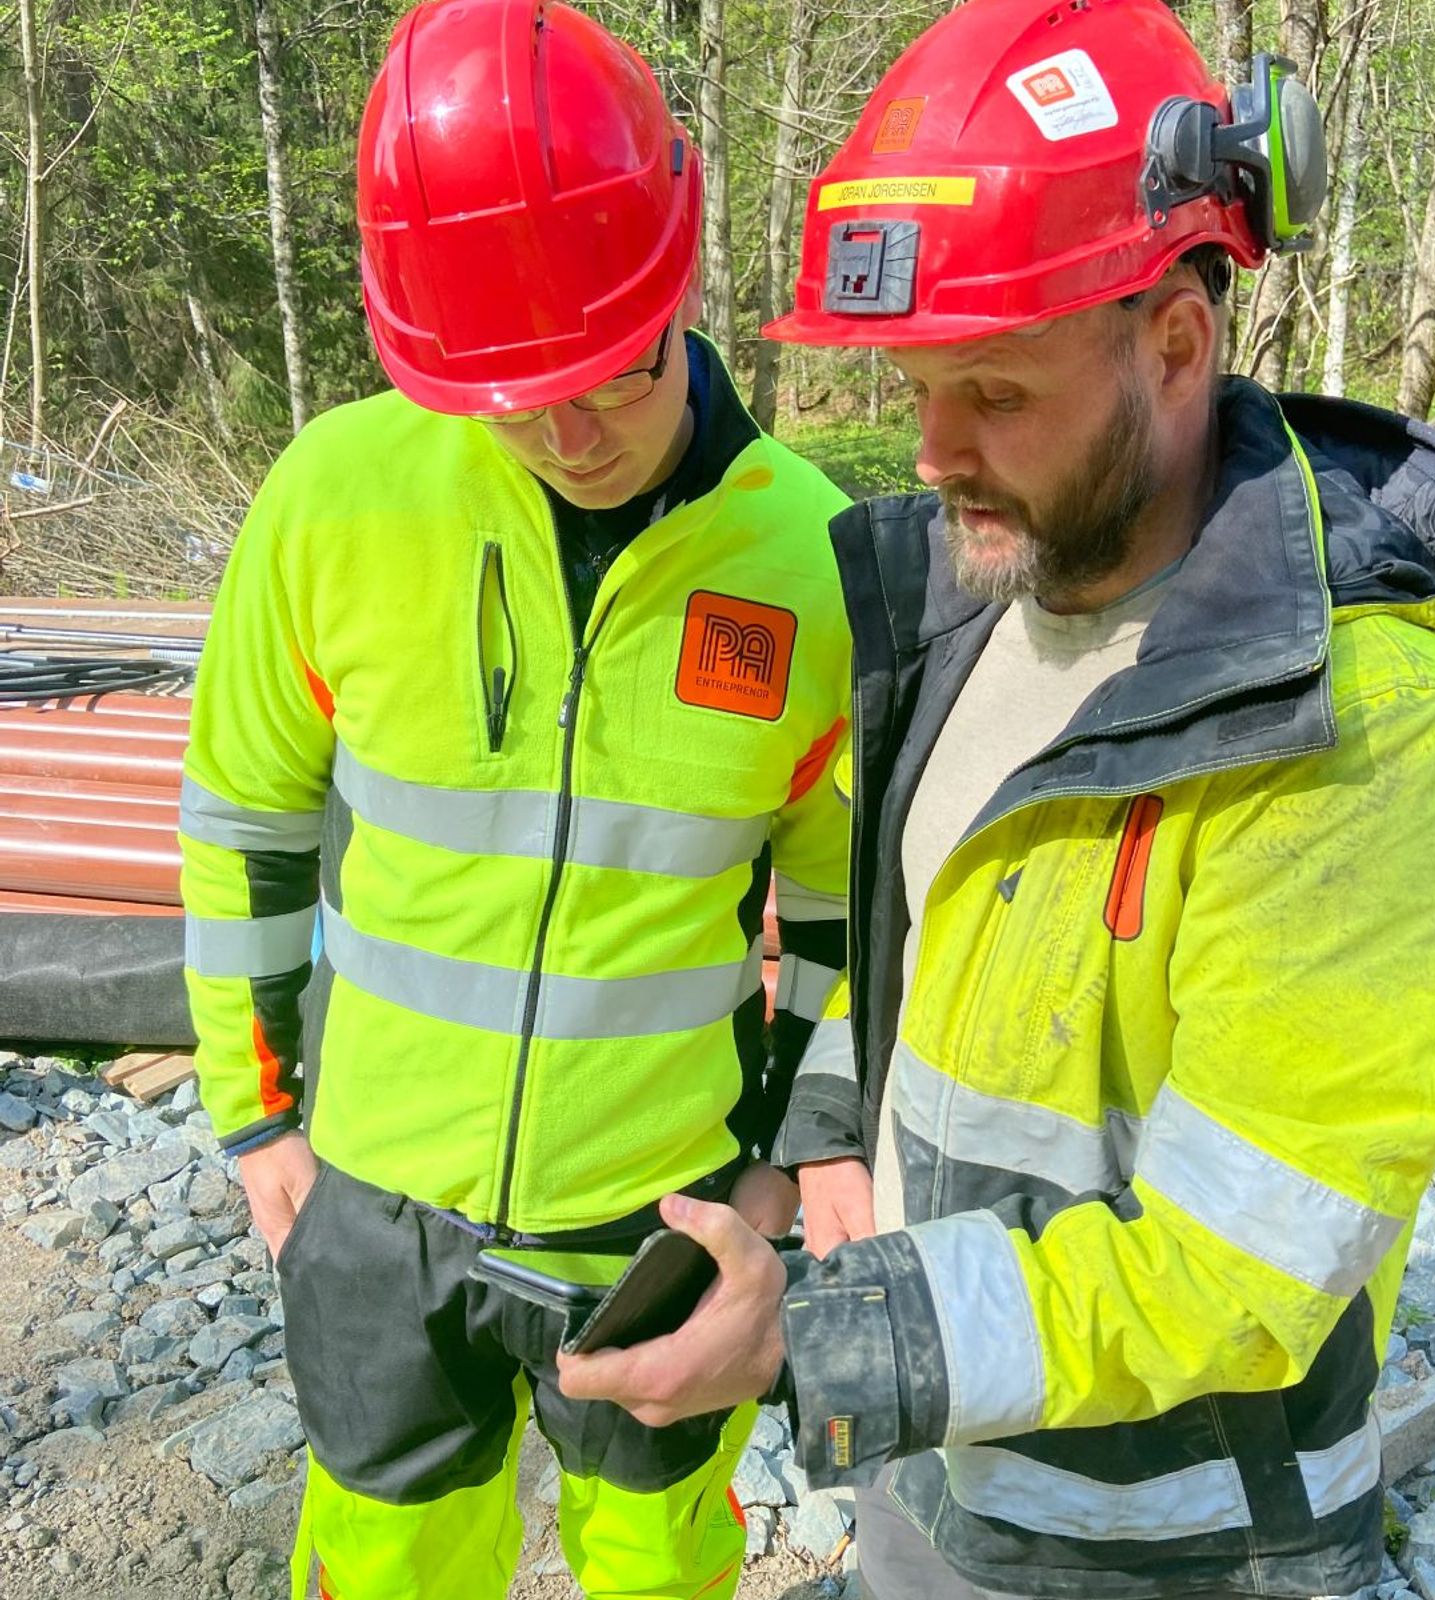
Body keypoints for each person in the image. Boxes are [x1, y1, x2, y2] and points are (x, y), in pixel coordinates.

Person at [556, 3, 1435, 1596]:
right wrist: (823, 1141)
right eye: (916, 386)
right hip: (940, 1477)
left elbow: (1239, 1263)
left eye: (995, 393)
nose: (935, 453)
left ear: (1176, 345)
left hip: (1173, 1541)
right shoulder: (969, 602)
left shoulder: (1356, 733)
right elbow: (922, 943)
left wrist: (823, 1337)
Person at [177, 2, 851, 1595]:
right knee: (387, 1564)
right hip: (373, 1202)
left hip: (657, 1212)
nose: (564, 432)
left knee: (659, 1562)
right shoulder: (335, 500)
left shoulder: (815, 561)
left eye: (608, 375)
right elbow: (246, 817)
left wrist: (792, 1156)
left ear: (674, 279)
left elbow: (849, 908)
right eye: (506, 389)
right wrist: (257, 1116)